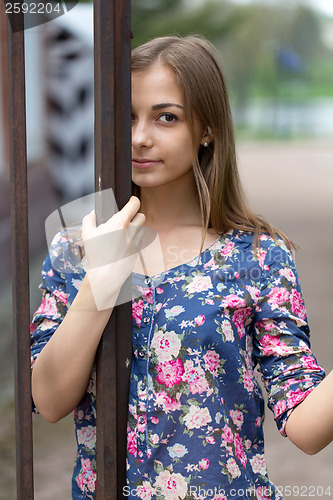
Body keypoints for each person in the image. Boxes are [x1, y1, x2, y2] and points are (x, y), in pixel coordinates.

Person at [30, 35, 333, 500]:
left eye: (165, 117)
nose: (140, 137)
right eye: (127, 117)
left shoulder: (257, 257)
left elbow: (306, 425)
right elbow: (48, 401)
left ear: (206, 129)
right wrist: (103, 279)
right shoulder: (77, 245)